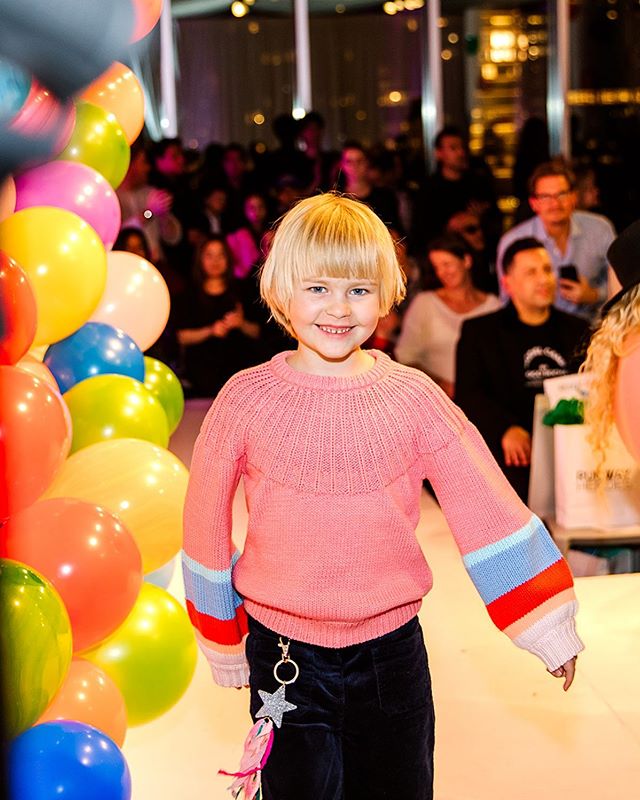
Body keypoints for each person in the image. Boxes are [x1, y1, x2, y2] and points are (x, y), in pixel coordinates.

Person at [182, 195, 582, 800]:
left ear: (388, 294)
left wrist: (547, 625)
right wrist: (221, 639)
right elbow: (205, 526)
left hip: (393, 655)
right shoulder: (244, 399)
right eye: (317, 287)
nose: (339, 309)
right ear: (280, 289)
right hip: (283, 659)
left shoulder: (413, 396)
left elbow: (486, 506)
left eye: (359, 290)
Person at [455, 237, 590, 502]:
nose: (544, 279)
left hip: (571, 452)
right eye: (531, 272)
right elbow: (469, 395)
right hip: (513, 455)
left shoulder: (578, 329)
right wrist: (506, 428)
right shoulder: (480, 332)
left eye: (548, 270)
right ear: (507, 282)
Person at [496, 160, 616, 321]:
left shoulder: (600, 228)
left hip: (593, 329)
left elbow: (621, 283)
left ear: (574, 197)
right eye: (545, 197)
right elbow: (506, 299)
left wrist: (594, 295)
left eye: (562, 194)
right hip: (537, 332)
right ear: (533, 203)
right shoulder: (514, 241)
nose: (555, 203)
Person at [395, 234, 501, 398]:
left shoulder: (493, 305)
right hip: (438, 399)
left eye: (447, 264)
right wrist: (439, 384)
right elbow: (405, 358)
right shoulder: (425, 303)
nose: (442, 272)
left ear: (466, 261)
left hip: (485, 399)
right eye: (437, 267)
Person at [174, 234, 261, 397]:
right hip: (201, 377)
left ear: (228, 258)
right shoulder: (189, 295)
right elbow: (181, 337)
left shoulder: (242, 291)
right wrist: (211, 331)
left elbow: (257, 331)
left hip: (238, 376)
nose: (215, 261)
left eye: (221, 255)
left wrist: (241, 323)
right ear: (200, 259)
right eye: (209, 255)